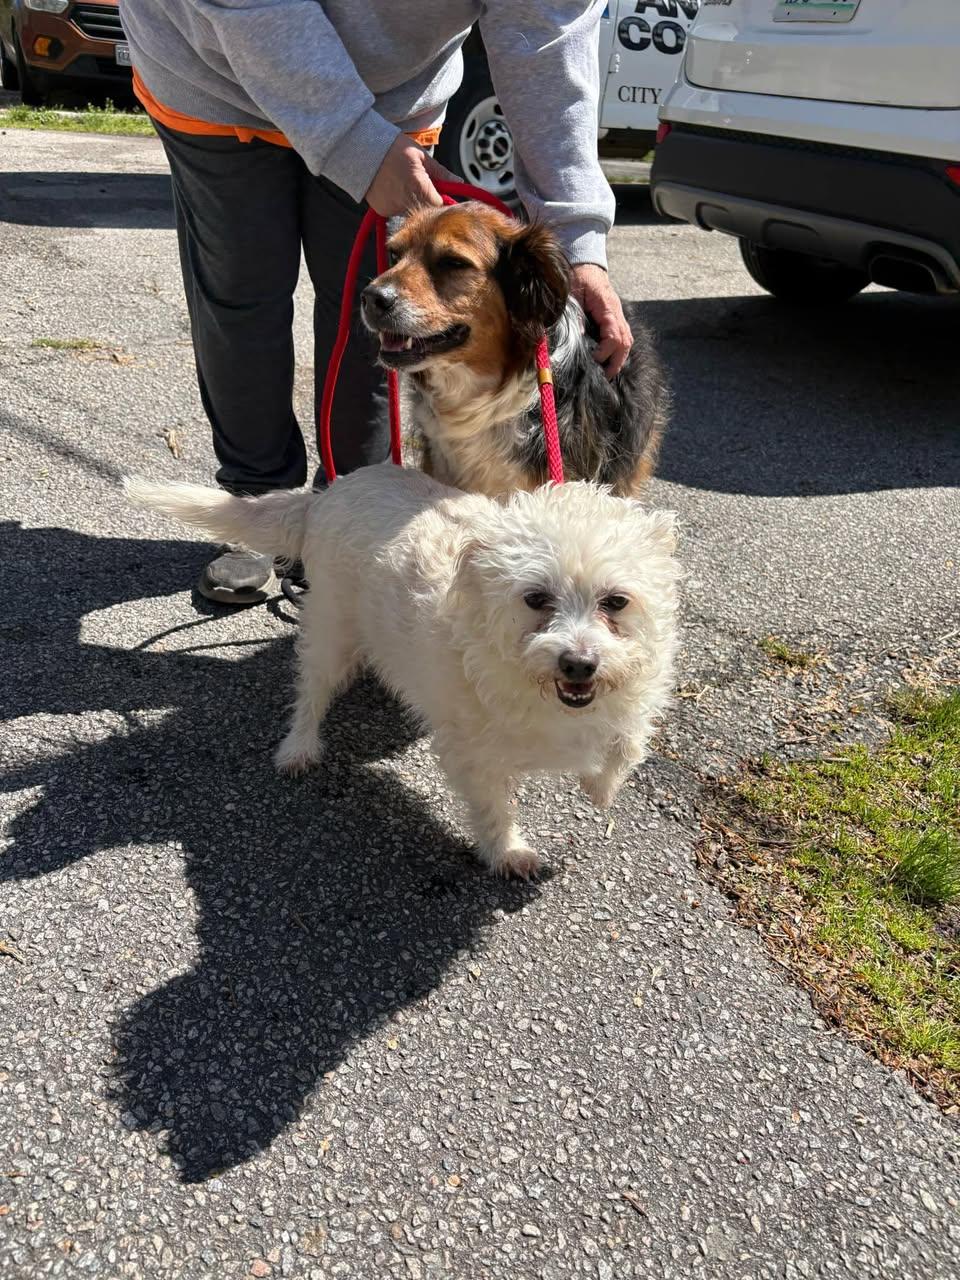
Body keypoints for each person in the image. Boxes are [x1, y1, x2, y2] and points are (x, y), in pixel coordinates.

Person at [120, 0, 634, 604]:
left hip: (393, 102)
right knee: (240, 301)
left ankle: (345, 519)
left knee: (386, 324)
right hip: (211, 76)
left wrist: (578, 244)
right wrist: (354, 143)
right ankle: (257, 509)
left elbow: (547, 42)